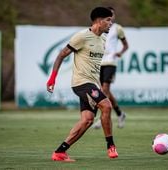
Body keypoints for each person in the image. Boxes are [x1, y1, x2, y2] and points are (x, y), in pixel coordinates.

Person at [46, 7, 118, 162]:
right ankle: (110, 145)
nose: (111, 23)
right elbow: (61, 55)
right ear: (99, 21)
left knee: (87, 120)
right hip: (81, 83)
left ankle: (60, 152)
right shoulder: (82, 37)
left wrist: (98, 85)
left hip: (92, 84)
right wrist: (52, 78)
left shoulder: (103, 40)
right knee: (107, 105)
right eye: (108, 20)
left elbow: (94, 67)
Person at [92, 6, 129, 129]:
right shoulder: (100, 28)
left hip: (110, 62)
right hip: (99, 62)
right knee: (104, 90)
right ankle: (120, 113)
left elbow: (126, 45)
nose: (111, 17)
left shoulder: (117, 28)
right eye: (108, 15)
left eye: (112, 15)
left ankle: (101, 117)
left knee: (105, 89)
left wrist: (120, 52)